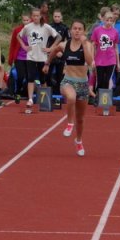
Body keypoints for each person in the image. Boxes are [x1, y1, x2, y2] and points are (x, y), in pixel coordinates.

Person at [45, 20, 94, 156]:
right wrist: (47, 63)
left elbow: (90, 62)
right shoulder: (64, 44)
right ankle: (69, 123)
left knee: (81, 119)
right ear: (71, 30)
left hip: (83, 84)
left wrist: (84, 45)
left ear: (83, 32)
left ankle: (78, 141)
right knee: (71, 97)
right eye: (75, 28)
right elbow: (54, 50)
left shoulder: (87, 45)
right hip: (67, 81)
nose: (77, 31)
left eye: (80, 29)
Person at [19, 7, 60, 110]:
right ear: (31, 17)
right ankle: (30, 99)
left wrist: (51, 48)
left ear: (41, 16)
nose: (36, 17)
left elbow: (58, 37)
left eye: (38, 16)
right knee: (30, 78)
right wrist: (24, 46)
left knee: (43, 79)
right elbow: (18, 36)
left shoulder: (46, 27)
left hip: (42, 57)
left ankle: (44, 99)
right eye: (34, 16)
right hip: (31, 56)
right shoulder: (28, 27)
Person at [90, 11, 119, 101]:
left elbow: (116, 47)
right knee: (100, 81)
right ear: (103, 19)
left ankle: (105, 101)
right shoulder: (97, 30)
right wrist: (93, 60)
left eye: (111, 20)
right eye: (107, 20)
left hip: (111, 60)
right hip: (99, 60)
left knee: (107, 81)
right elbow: (93, 45)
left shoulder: (115, 32)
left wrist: (118, 63)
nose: (109, 22)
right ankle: (97, 99)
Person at [7, 12, 31, 103]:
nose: (25, 22)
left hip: (30, 57)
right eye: (24, 20)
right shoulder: (17, 30)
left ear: (30, 20)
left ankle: (29, 96)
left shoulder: (34, 30)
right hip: (19, 57)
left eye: (27, 20)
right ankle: (17, 92)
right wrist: (10, 58)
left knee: (30, 77)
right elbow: (12, 45)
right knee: (20, 76)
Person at [47, 9, 70, 95]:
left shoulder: (65, 28)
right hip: (50, 54)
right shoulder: (48, 27)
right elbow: (46, 40)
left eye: (58, 16)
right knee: (47, 75)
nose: (57, 18)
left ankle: (57, 95)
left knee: (59, 76)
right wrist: (49, 51)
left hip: (61, 55)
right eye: (55, 16)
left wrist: (63, 52)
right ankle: (50, 92)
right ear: (53, 17)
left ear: (61, 17)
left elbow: (69, 41)